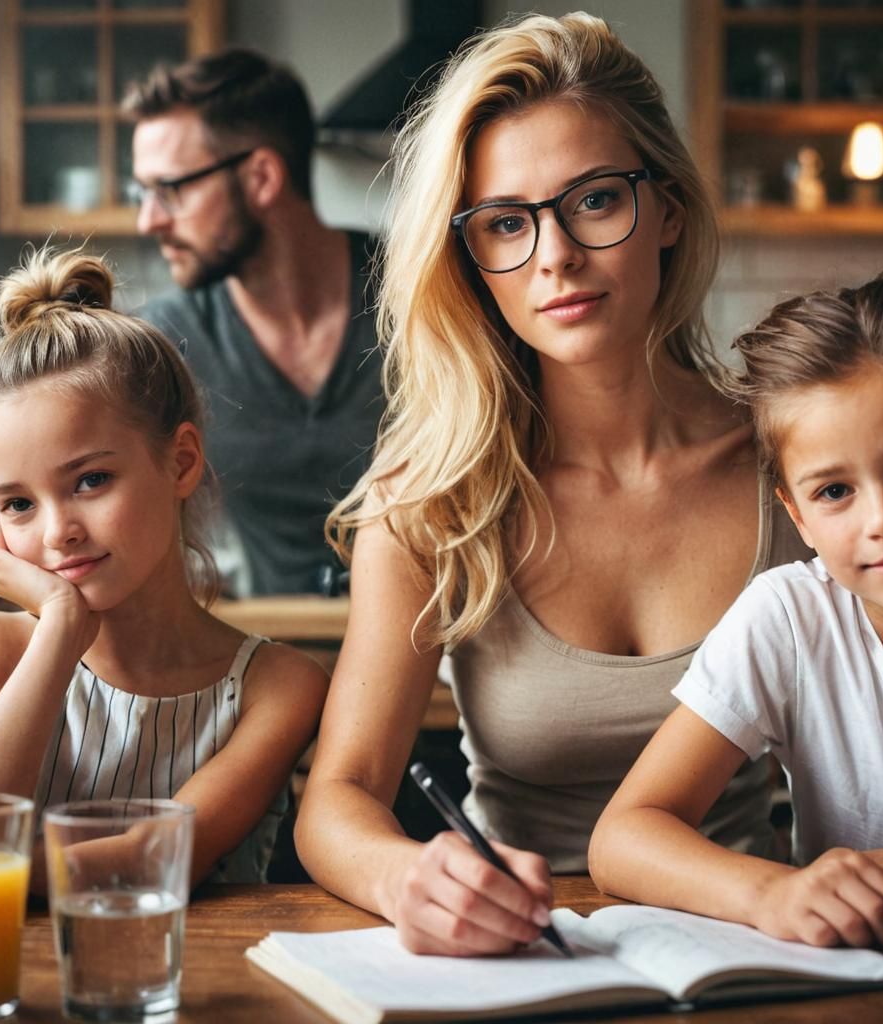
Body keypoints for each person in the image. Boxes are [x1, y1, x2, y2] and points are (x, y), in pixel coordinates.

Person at [295, 12, 810, 957]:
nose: (556, 255)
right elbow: (340, 799)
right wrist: (411, 878)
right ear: (472, 261)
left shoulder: (797, 464)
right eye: (506, 223)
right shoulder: (430, 503)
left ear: (669, 212)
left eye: (595, 200)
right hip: (521, 964)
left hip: (766, 951)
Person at [590, 276, 883, 948]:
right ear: (796, 514)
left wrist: (881, 878)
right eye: (835, 490)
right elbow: (623, 837)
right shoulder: (790, 619)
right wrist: (772, 892)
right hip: (854, 987)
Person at [0, 247, 328, 887]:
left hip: (203, 985)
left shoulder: (276, 686)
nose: (58, 532)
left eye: (91, 480)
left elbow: (151, 859)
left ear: (181, 462)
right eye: (18, 504)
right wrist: (58, 629)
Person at [124, 48, 383, 596]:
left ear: (262, 177)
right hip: (270, 657)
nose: (149, 220)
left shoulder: (426, 296)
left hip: (440, 654)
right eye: (141, 193)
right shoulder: (167, 346)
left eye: (171, 189)